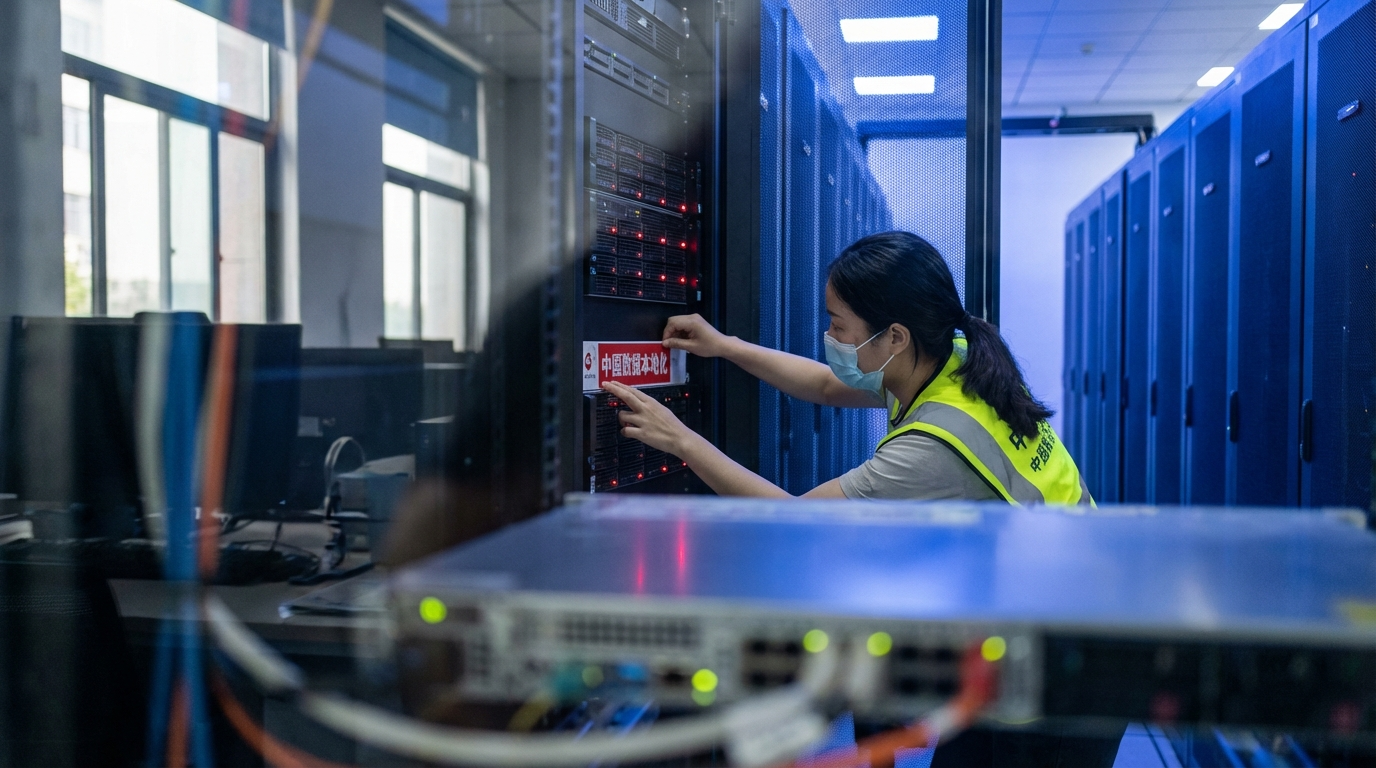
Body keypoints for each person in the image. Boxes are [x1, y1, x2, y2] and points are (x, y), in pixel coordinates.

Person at [602, 231, 1090, 504]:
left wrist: (680, 439)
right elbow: (824, 384)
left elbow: (797, 520)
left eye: (838, 325)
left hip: (1054, 603)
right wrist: (726, 346)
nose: (829, 339)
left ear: (895, 337)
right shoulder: (954, 357)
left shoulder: (930, 451)